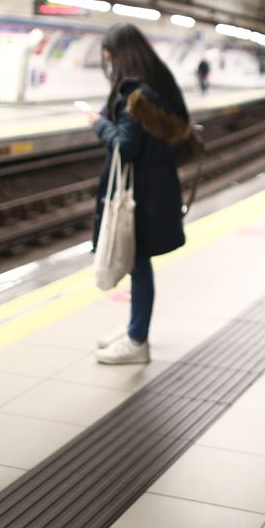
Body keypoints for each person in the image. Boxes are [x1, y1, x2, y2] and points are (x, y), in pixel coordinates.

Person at [90, 23, 191, 365]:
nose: (108, 61)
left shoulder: (139, 96)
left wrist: (98, 122)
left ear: (120, 54)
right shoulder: (157, 87)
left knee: (137, 261)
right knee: (137, 261)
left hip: (142, 190)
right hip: (154, 185)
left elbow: (125, 146)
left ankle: (137, 341)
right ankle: (135, 327)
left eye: (109, 54)